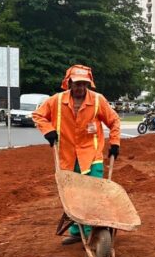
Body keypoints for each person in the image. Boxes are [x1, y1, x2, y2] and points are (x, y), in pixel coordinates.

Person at [33, 64, 121, 245]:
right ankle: (76, 231)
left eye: (84, 84)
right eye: (77, 84)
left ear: (89, 84)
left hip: (92, 155)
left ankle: (91, 233)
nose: (80, 88)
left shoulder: (97, 100)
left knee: (92, 195)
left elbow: (114, 121)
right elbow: (38, 115)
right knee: (73, 196)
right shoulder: (56, 101)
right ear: (69, 83)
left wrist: (115, 143)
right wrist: (48, 131)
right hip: (67, 156)